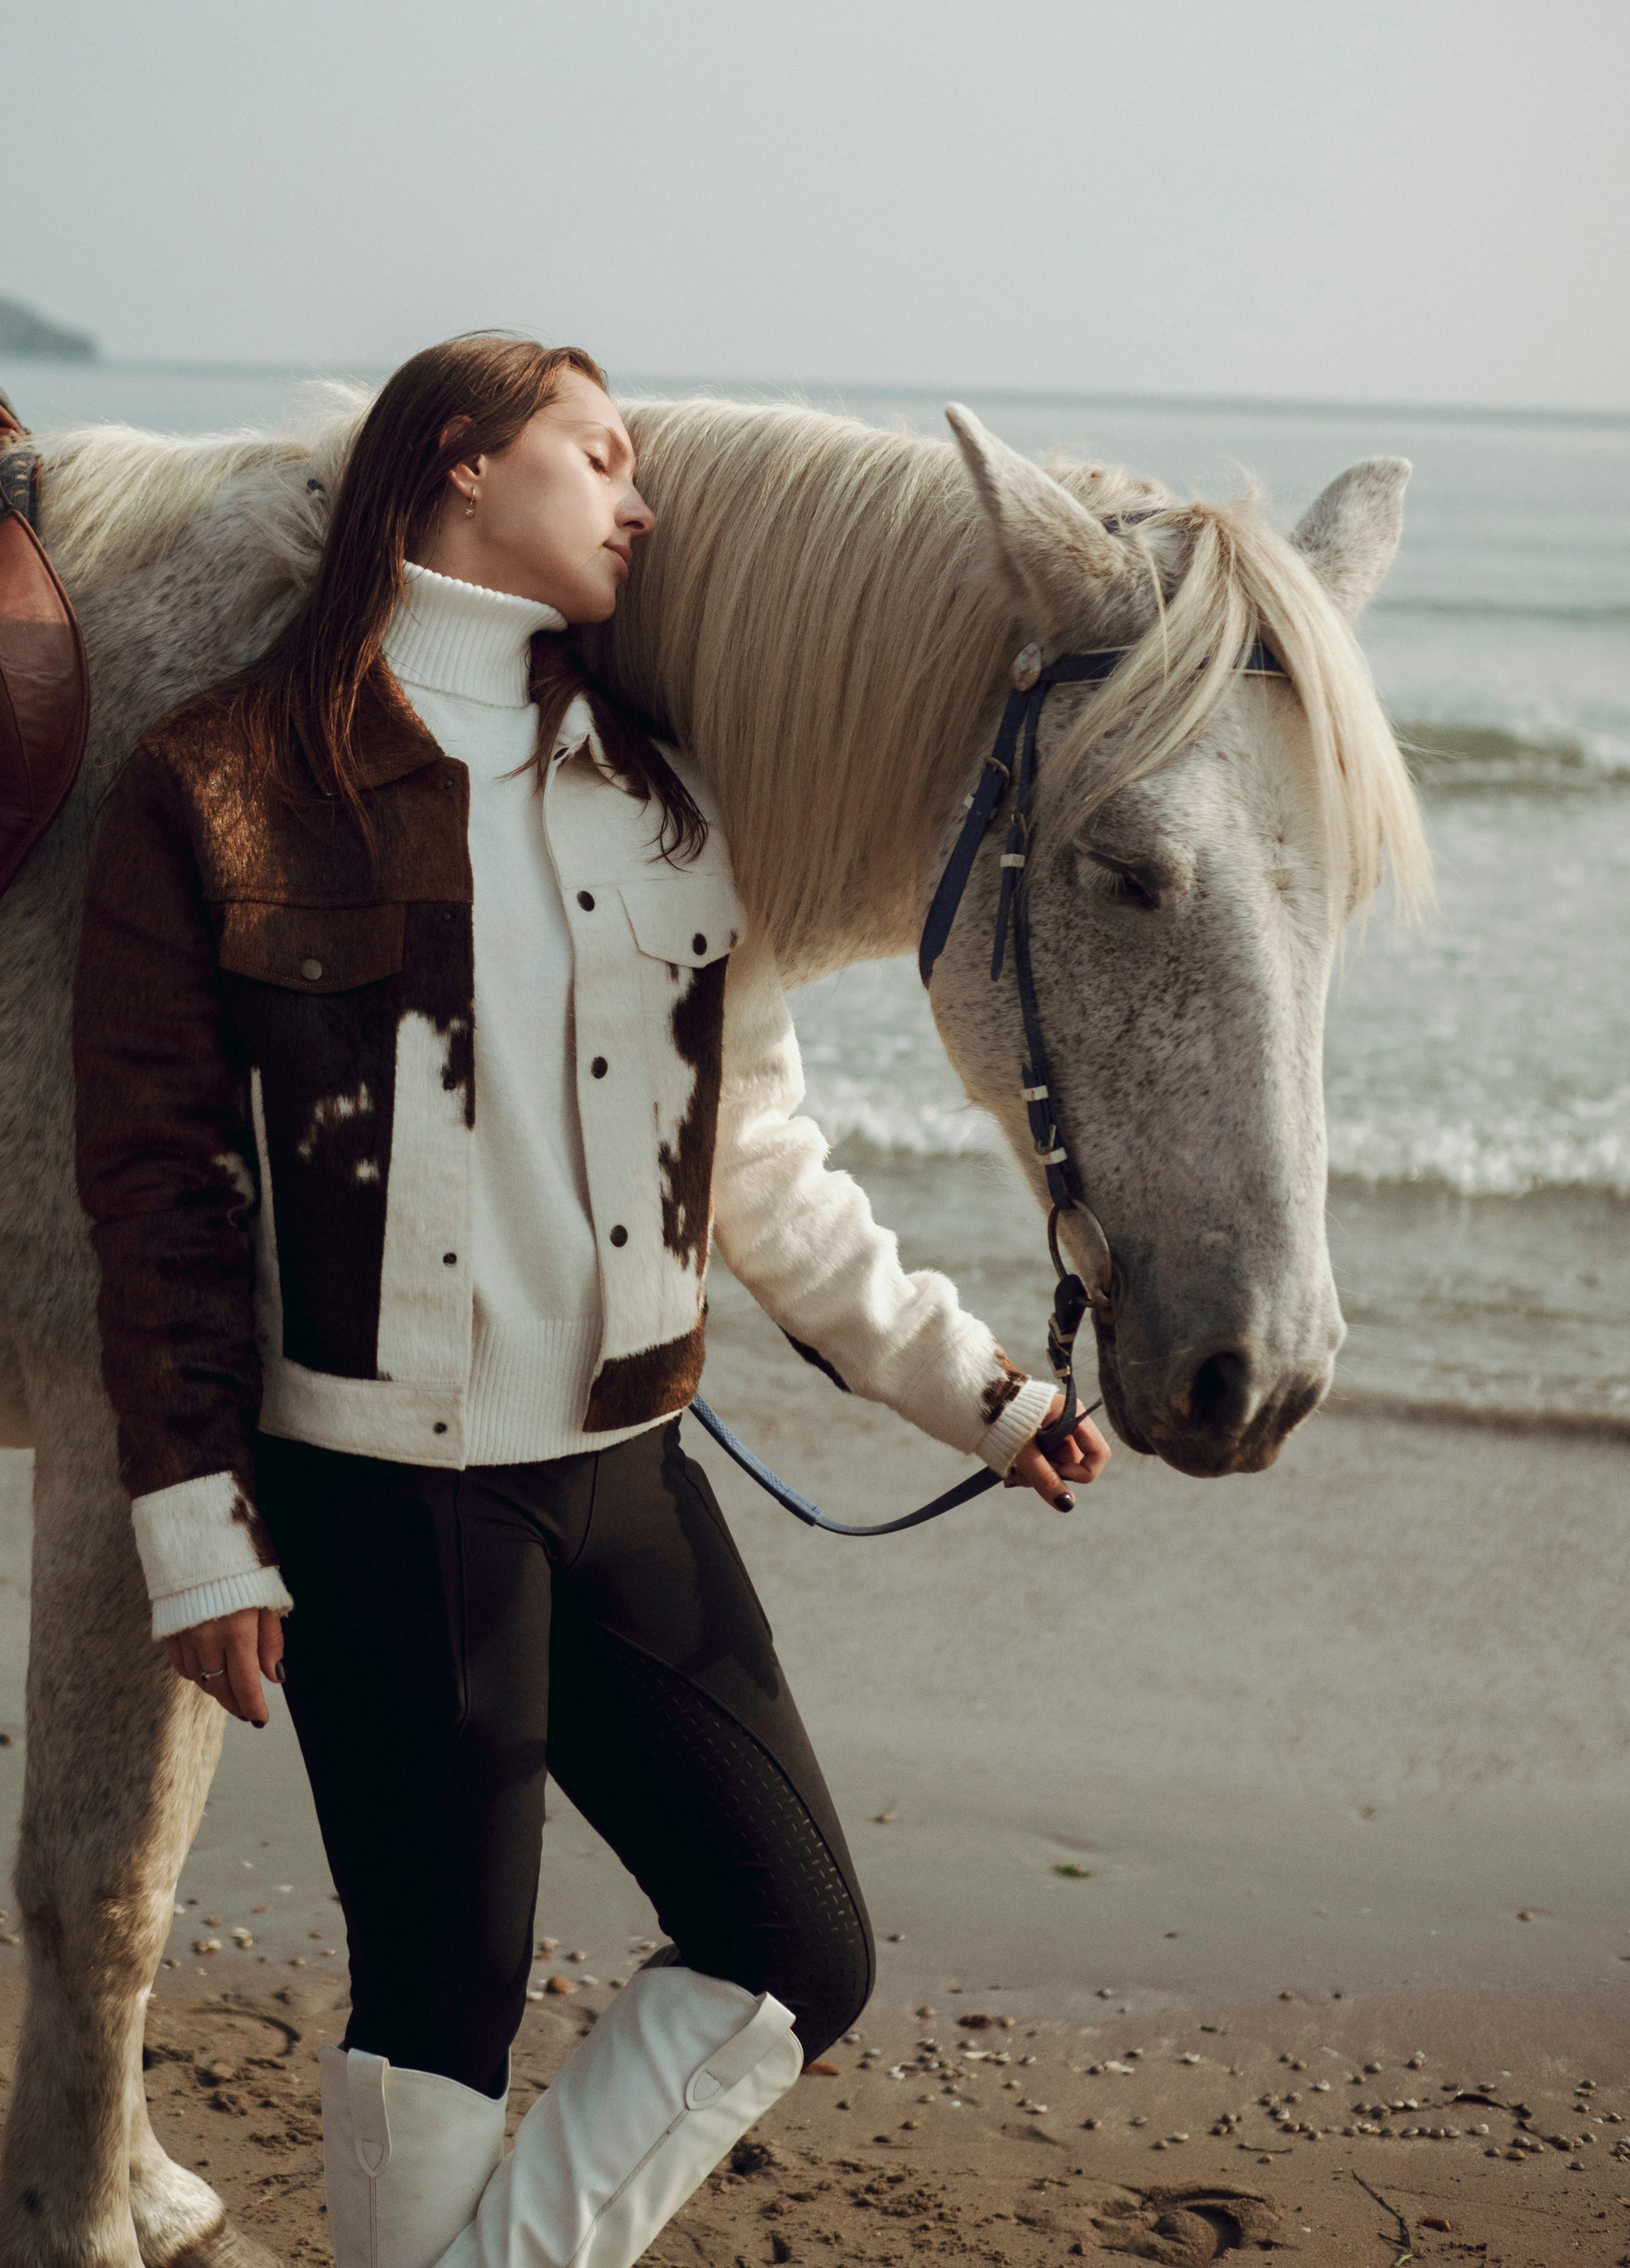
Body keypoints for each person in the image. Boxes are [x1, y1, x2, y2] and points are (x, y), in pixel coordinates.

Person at [72, 333, 1108, 2268]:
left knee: (797, 1944)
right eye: (598, 454)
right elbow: (160, 1194)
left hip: (630, 1477)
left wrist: (972, 1387)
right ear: (458, 464)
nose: (639, 503)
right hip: (388, 1500)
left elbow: (759, 1166)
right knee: (441, 2015)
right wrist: (198, 1535)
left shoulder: (661, 795)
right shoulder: (218, 786)